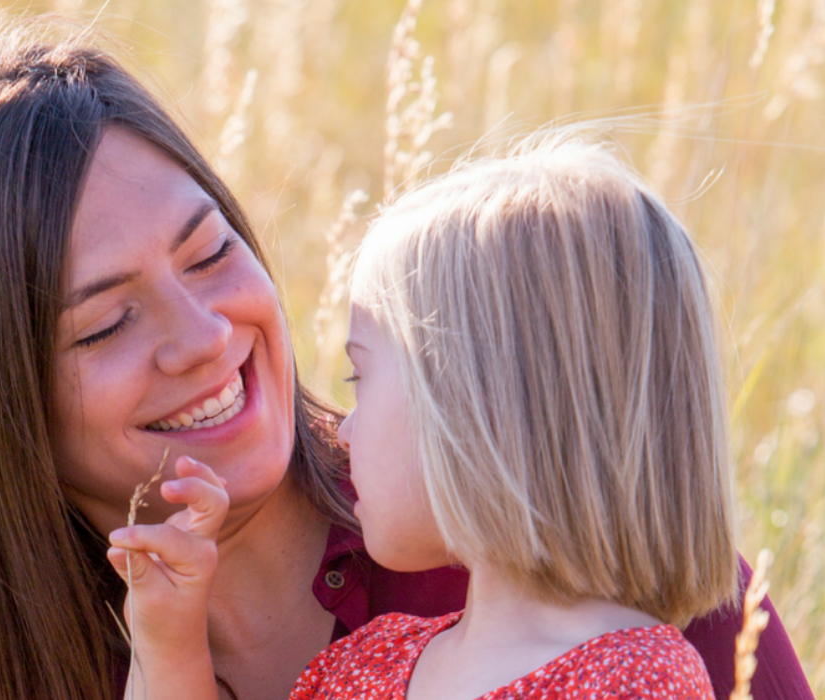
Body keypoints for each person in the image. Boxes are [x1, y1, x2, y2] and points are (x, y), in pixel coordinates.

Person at [0, 24, 815, 700]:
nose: (205, 335)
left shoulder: (566, 535)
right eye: (103, 325)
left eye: (210, 252)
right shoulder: (14, 663)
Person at [113, 135, 741, 700]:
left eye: (361, 377)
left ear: (475, 411)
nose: (344, 428)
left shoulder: (635, 679)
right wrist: (168, 646)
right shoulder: (365, 665)